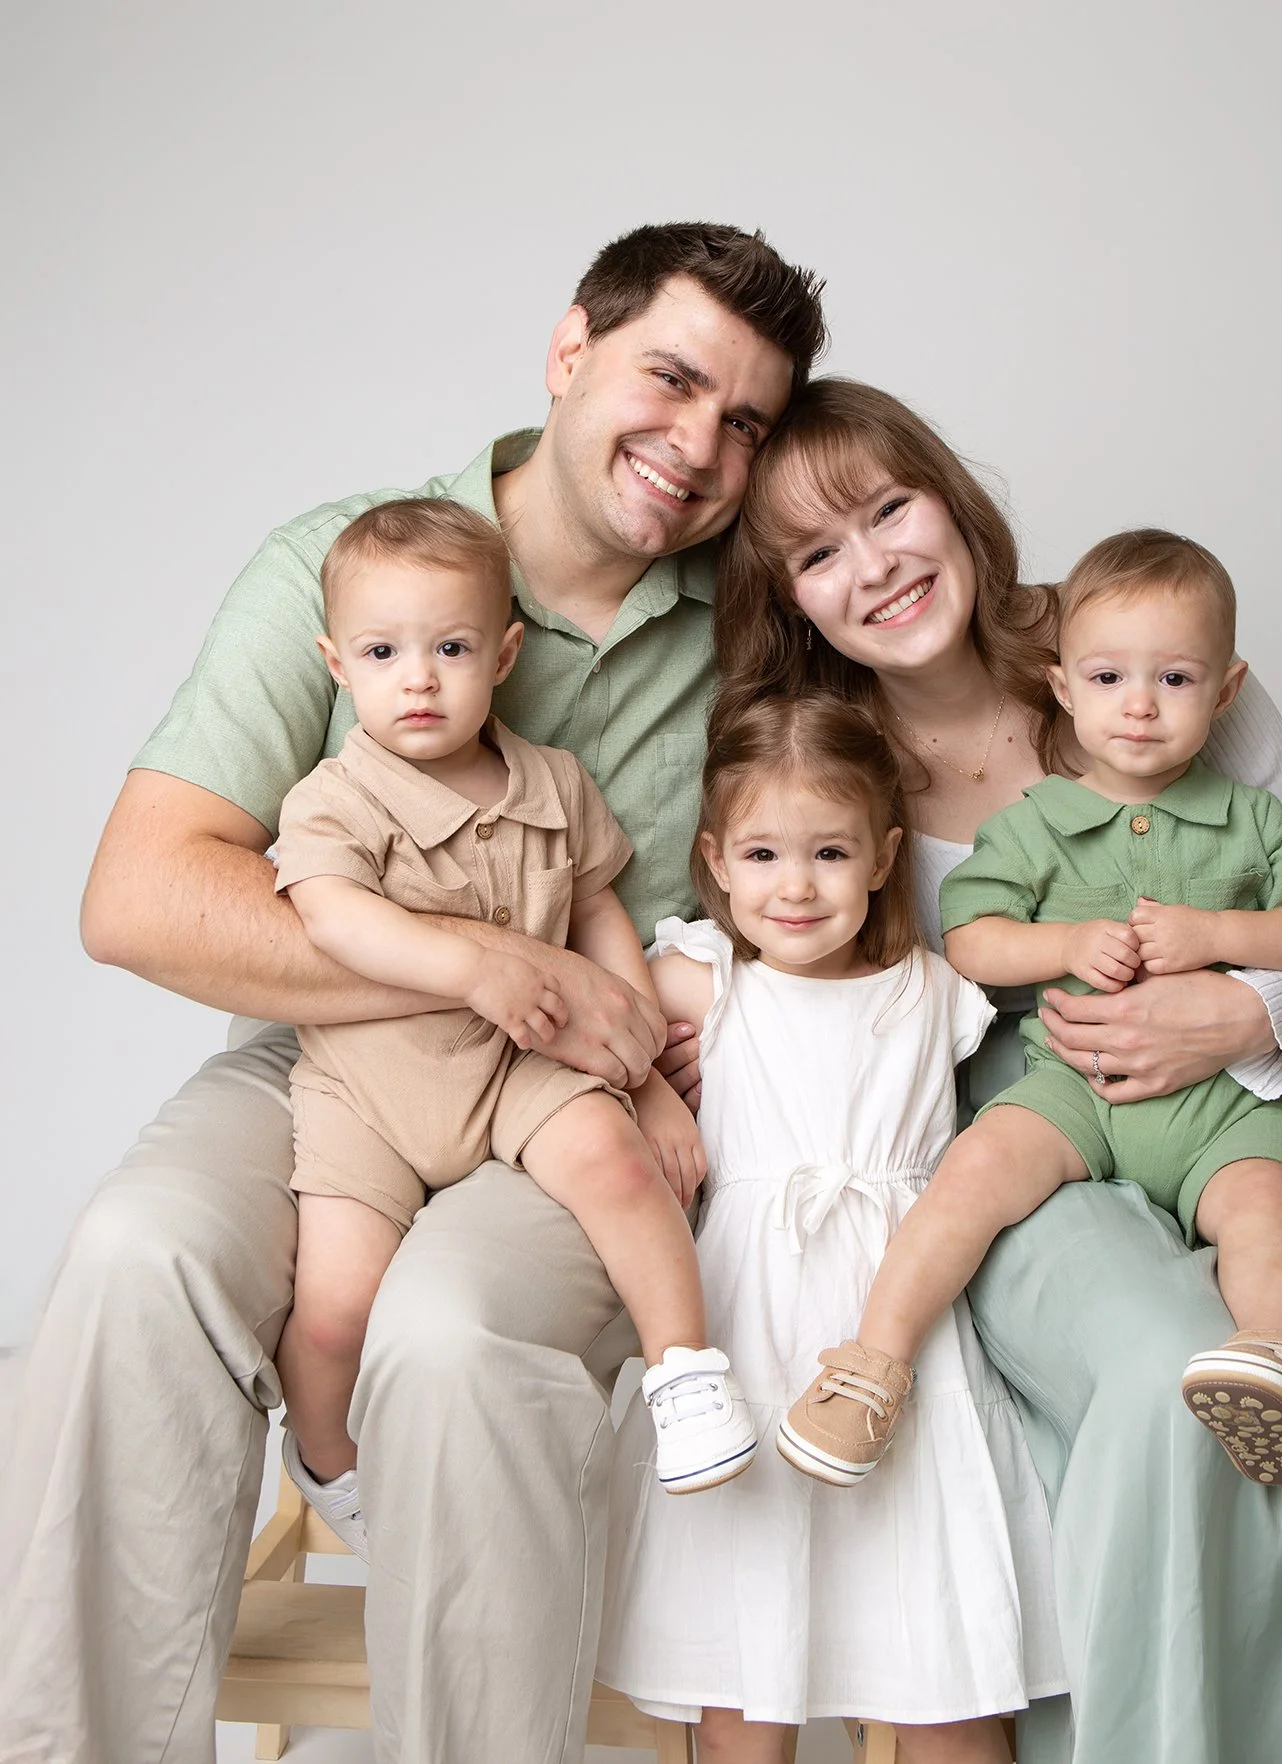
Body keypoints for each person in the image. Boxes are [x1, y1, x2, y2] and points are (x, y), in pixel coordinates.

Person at [0, 223, 826, 1764]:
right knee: (136, 1251)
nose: (699, 446)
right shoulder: (352, 558)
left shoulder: (761, 621)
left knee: (452, 1336)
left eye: (747, 422)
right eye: (670, 378)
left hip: (565, 1100)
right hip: (332, 1066)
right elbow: (141, 897)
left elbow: (869, 814)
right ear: (570, 351)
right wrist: (482, 967)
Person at [713, 379, 1282, 1764]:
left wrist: (1234, 1011)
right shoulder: (825, 758)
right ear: (786, 597)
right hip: (1027, 1120)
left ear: (950, 496)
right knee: (1161, 1369)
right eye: (818, 553)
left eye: (889, 509)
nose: (874, 566)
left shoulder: (1139, 641)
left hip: (1261, 1085)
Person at [779, 529, 1282, 1493]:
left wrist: (1221, 937)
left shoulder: (1254, 821)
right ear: (1062, 688)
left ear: (1225, 691)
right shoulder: (1037, 820)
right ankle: (873, 1365)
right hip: (1072, 1087)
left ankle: (1276, 1362)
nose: (1139, 705)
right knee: (969, 1178)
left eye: (1175, 680)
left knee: (1267, 1219)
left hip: (1222, 1105)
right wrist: (1064, 947)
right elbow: (970, 936)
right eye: (1108, 678)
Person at [274, 496, 757, 1548]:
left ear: (502, 654)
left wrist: (642, 1080)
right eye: (382, 651)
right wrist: (469, 967)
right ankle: (330, 1463)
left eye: (449, 647)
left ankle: (686, 1377)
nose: (418, 677)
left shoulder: (554, 783)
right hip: (372, 1090)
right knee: (332, 1310)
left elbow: (594, 914)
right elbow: (330, 915)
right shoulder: (334, 799)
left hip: (518, 1066)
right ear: (335, 664)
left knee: (622, 1168)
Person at [595, 691, 1066, 1764]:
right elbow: (592, 1013)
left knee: (938, 1662)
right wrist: (658, 1093)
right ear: (714, 860)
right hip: (748, 1321)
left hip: (897, 1334)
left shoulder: (935, 989)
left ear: (885, 857)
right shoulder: (705, 980)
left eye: (829, 853)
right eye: (761, 853)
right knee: (744, 1680)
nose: (794, 886)